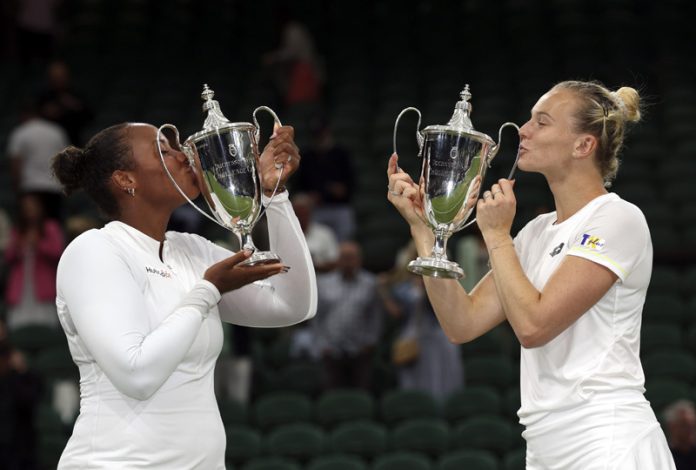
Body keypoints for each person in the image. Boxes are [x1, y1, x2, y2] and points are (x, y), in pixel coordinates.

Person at [387, 80, 676, 469]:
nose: (523, 129)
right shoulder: (536, 232)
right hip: (544, 447)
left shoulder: (618, 218)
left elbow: (534, 326)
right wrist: (424, 231)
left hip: (608, 440)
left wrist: (496, 236)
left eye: (542, 122)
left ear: (583, 146)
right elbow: (461, 323)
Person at [50, 121, 317, 468]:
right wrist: (207, 291)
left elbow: (293, 306)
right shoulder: (95, 250)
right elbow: (137, 375)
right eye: (164, 150)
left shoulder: (190, 250)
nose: (183, 155)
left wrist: (274, 195)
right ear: (125, 180)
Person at [378, 241, 464, 401]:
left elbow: (448, 307)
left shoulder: (441, 281)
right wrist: (383, 291)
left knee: (439, 382)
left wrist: (429, 286)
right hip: (414, 337)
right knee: (414, 385)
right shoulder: (404, 285)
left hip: (438, 336)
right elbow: (397, 313)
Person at [312, 241, 381, 391]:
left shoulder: (370, 283)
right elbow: (317, 318)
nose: (348, 261)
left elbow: (374, 316)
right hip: (331, 350)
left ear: (359, 260)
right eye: (344, 257)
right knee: (332, 395)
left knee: (361, 393)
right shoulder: (324, 283)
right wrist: (321, 345)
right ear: (337, 259)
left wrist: (370, 342)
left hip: (360, 351)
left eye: (351, 257)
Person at [4, 193, 64, 330]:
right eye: (26, 208)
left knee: (45, 327)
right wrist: (19, 245)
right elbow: (8, 257)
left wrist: (39, 244)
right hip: (21, 287)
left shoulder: (50, 228)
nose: (30, 211)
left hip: (43, 285)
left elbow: (58, 253)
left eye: (32, 207)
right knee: (18, 328)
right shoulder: (18, 230)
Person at [7, 100, 70, 221]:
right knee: (53, 225)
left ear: (24, 115)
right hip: (54, 188)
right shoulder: (56, 131)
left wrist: (16, 187)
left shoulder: (20, 132)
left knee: (33, 224)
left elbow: (15, 162)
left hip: (30, 187)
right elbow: (65, 160)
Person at [292, 192, 339, 272]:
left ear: (310, 213)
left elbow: (334, 262)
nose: (300, 217)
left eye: (304, 213)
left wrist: (313, 265)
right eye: (297, 213)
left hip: (322, 279)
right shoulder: (283, 234)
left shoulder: (325, 233)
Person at [664, 400, 696, 469]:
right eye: (684, 425)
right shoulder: (663, 456)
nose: (691, 429)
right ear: (671, 427)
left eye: (693, 424)